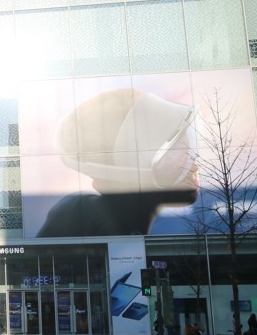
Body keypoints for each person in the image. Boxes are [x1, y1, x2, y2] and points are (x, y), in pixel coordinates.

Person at [38, 89, 199, 238]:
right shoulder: (78, 215)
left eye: (187, 151)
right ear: (107, 183)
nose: (194, 166)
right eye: (172, 158)